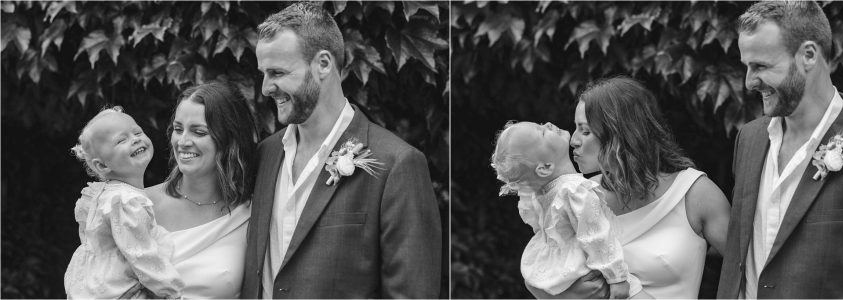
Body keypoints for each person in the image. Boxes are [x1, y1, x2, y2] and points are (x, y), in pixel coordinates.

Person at [239, 2, 442, 298]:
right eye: (263, 74)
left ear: (323, 64)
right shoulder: (266, 154)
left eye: (278, 72)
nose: (266, 88)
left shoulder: (397, 165)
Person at [717, 1, 843, 298]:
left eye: (761, 66)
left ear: (809, 56)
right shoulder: (748, 139)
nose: (749, 82)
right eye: (746, 67)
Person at [565, 76, 731, 299]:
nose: (573, 141)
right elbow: (542, 271)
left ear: (620, 134)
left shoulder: (695, 194)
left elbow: (751, 269)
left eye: (585, 131)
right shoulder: (580, 197)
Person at [491, 121, 646, 299]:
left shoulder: (541, 195)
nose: (548, 124)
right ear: (545, 167)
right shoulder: (575, 190)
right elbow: (596, 235)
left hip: (564, 275)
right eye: (542, 132)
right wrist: (617, 278)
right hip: (595, 270)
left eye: (541, 124)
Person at [146, 81, 259, 298]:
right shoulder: (140, 205)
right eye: (178, 129)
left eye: (198, 132)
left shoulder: (251, 214)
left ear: (229, 140)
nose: (183, 142)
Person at [65, 106, 184, 299]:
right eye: (122, 140)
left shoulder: (102, 196)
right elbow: (141, 254)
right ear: (102, 165)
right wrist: (170, 291)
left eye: (137, 132)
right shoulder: (125, 201)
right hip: (120, 292)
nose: (135, 139)